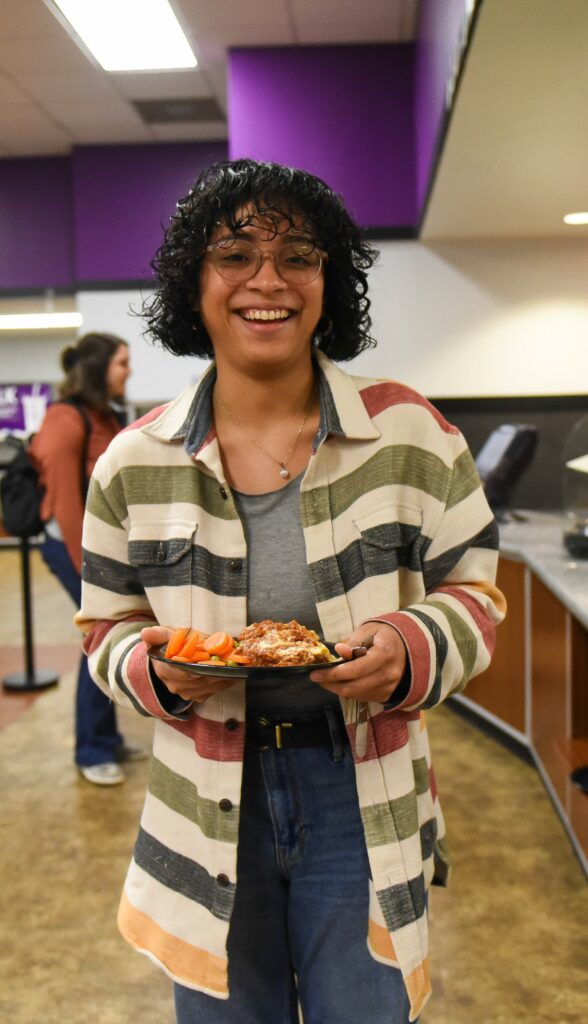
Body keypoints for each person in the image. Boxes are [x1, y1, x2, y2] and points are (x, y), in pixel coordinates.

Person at [77, 160, 506, 1022]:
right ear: (192, 285)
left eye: (298, 255)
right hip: (203, 796)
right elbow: (105, 625)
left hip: (360, 787)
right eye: (235, 254)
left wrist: (408, 649)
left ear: (328, 282)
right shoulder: (134, 462)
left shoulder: (407, 433)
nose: (267, 280)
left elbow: (477, 593)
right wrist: (152, 671)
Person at [31, 331, 145, 786]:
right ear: (99, 368)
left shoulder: (103, 414)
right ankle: (91, 748)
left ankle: (107, 738)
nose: (129, 370)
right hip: (71, 547)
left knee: (111, 635)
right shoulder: (66, 417)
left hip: (100, 551)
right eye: (122, 362)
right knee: (100, 637)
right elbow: (64, 501)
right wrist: (91, 573)